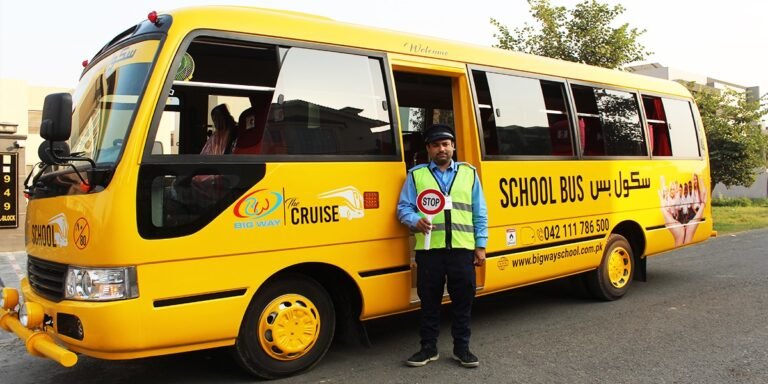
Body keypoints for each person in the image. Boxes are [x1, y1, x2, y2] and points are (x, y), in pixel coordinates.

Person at [396, 124, 488, 368]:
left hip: (462, 249)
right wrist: (414, 220)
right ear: (428, 149)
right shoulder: (416, 175)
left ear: (453, 146)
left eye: (446, 144)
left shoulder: (469, 173)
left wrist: (480, 245)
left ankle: (462, 348)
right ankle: (428, 348)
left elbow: (479, 211)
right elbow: (403, 208)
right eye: (436, 145)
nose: (442, 149)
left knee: (463, 301)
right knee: (429, 301)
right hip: (430, 251)